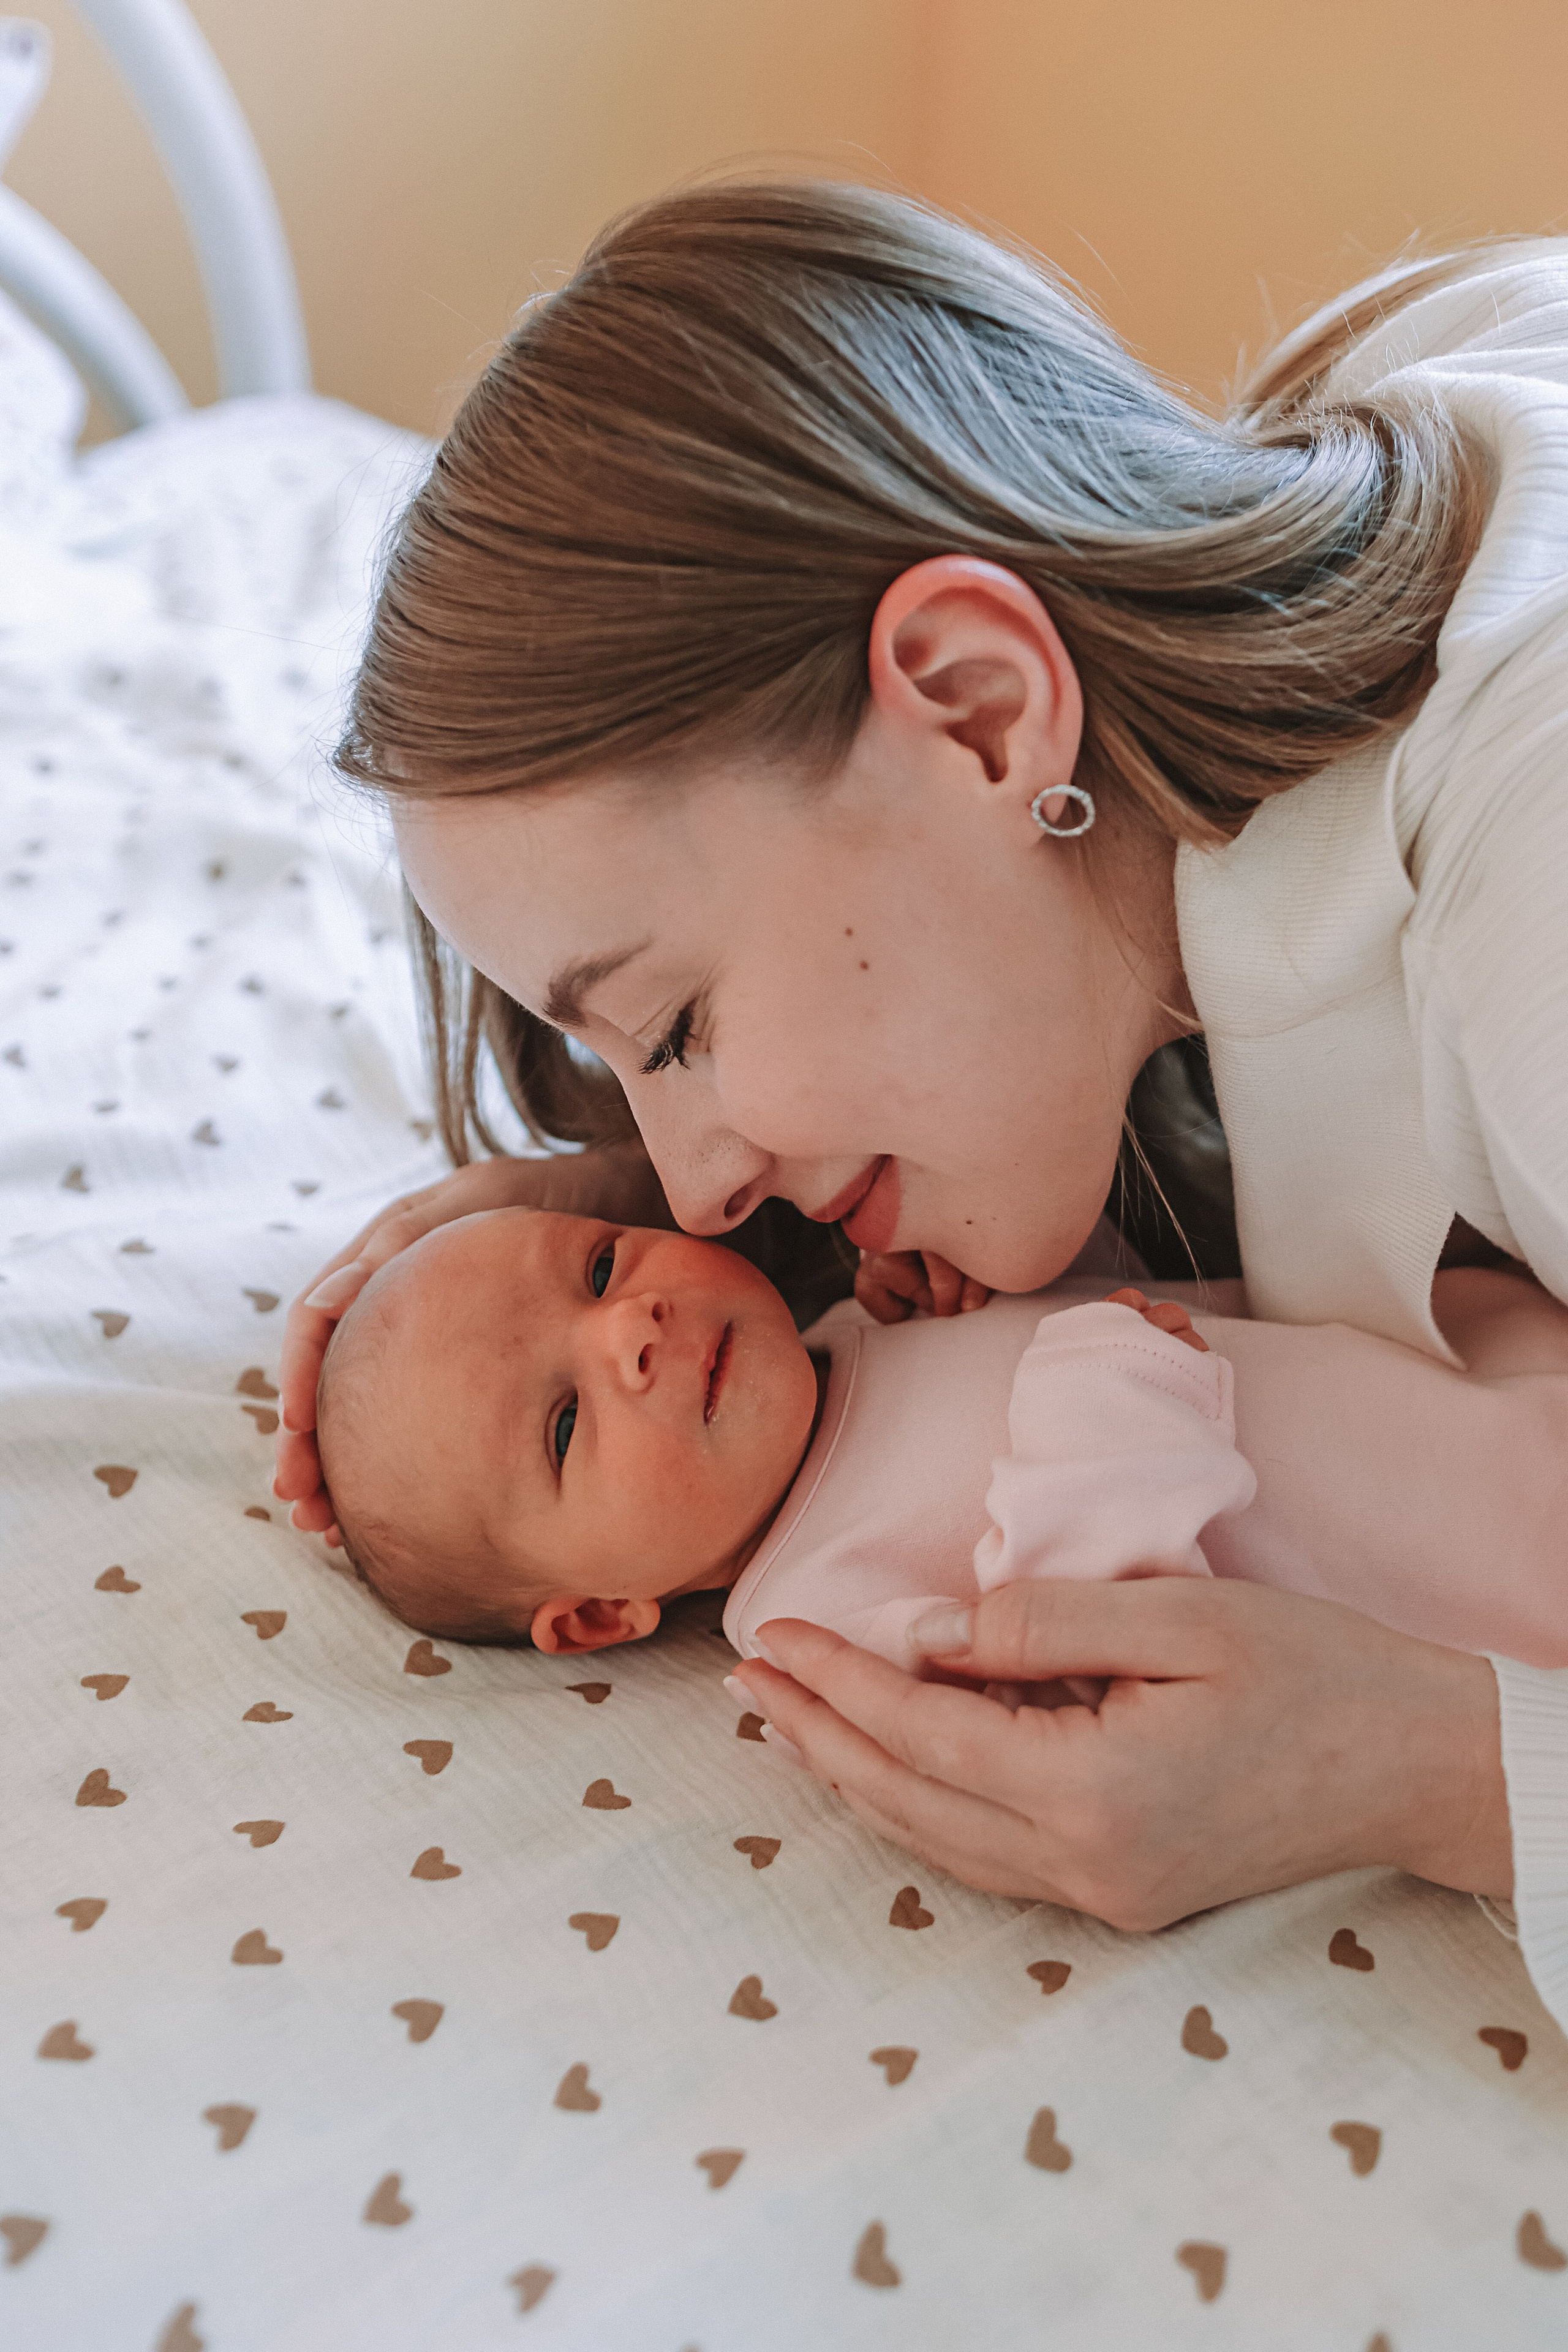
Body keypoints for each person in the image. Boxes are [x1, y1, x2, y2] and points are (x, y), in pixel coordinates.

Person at [276, 180, 1568, 2034]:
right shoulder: (1331, 466)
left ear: (975, 708)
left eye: (683, 1019)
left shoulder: (1539, 888)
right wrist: (628, 1209)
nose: (699, 1198)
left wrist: (1436, 1775)